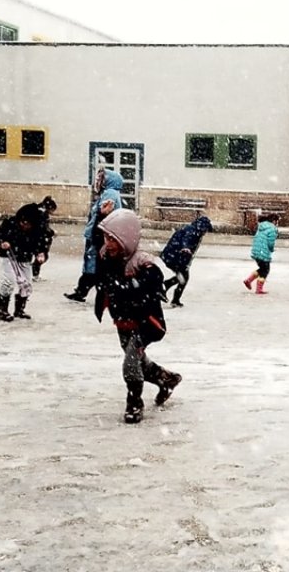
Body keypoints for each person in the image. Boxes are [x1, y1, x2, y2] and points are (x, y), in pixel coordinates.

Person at [92, 208, 182, 424]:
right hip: (122, 320)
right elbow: (102, 279)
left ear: (127, 238)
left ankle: (134, 403)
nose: (109, 243)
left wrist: (127, 286)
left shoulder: (142, 261)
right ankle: (166, 379)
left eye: (114, 239)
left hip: (147, 323)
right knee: (138, 360)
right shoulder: (105, 255)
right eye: (107, 238)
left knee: (131, 363)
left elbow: (153, 281)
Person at [65, 169, 124, 302]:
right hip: (98, 235)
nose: (98, 181)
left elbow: (104, 213)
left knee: (96, 266)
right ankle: (84, 291)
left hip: (99, 235)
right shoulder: (109, 192)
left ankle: (92, 293)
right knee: (95, 265)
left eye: (101, 178)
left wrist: (99, 234)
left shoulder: (110, 193)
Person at [0, 204, 46, 322]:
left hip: (25, 258)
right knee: (9, 281)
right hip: (10, 256)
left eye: (27, 223)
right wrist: (3, 242)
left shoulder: (37, 231)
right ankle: (3, 310)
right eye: (22, 222)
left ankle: (19, 309)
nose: (24, 225)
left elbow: (40, 244)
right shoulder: (10, 223)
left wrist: (40, 253)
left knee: (26, 284)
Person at [161, 215, 213, 307]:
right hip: (174, 257)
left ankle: (167, 288)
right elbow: (186, 239)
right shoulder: (192, 231)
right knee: (183, 278)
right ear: (202, 227)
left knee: (183, 277)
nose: (205, 232)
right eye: (206, 230)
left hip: (174, 257)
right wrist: (186, 247)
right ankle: (171, 294)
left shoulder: (194, 230)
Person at [244, 212, 279, 294]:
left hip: (256, 251)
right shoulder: (272, 229)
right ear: (274, 221)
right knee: (265, 270)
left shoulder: (262, 226)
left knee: (262, 269)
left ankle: (248, 280)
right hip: (263, 252)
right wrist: (271, 249)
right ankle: (258, 289)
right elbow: (271, 242)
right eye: (277, 221)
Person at [30, 196, 58, 281]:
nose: (52, 213)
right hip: (39, 239)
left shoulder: (39, 211)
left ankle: (34, 272)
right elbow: (42, 228)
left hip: (36, 238)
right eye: (52, 210)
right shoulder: (42, 214)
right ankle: (35, 274)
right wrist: (52, 233)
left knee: (40, 256)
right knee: (42, 257)